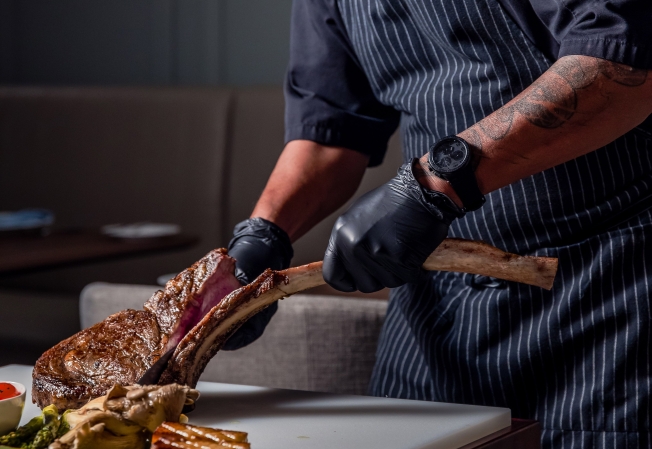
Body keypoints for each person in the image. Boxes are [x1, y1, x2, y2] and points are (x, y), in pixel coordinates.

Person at [224, 1, 652, 447]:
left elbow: (620, 69)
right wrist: (264, 233)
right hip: (432, 314)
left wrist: (436, 183)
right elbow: (333, 127)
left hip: (608, 295)